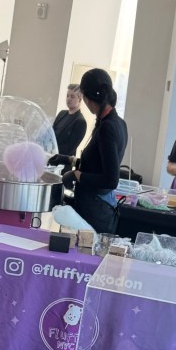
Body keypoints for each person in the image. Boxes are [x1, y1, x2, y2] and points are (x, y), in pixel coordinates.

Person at [63, 68, 127, 233]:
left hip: (96, 211)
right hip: (97, 207)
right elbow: (96, 163)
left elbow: (110, 179)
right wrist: (67, 160)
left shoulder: (108, 127)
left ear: (85, 97)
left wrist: (77, 175)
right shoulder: (118, 122)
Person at [52, 84, 87, 159]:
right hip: (51, 156)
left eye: (72, 96)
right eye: (67, 96)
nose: (68, 99)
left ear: (80, 99)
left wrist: (52, 148)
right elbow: (52, 133)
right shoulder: (61, 113)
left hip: (63, 164)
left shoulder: (80, 121)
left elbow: (69, 148)